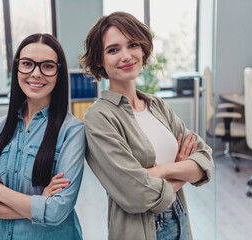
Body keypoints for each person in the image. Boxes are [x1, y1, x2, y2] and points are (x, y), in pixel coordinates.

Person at [80, 12, 214, 240]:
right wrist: (182, 170)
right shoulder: (99, 117)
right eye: (113, 50)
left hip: (179, 218)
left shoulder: (157, 105)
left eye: (132, 45)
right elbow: (137, 195)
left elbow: (205, 161)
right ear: (99, 60)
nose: (126, 55)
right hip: (142, 230)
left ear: (143, 50)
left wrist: (162, 170)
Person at [0, 33, 85, 240]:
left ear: (58, 74)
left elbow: (56, 211)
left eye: (47, 66)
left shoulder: (72, 131)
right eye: (27, 64)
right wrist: (39, 202)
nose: (36, 73)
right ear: (16, 69)